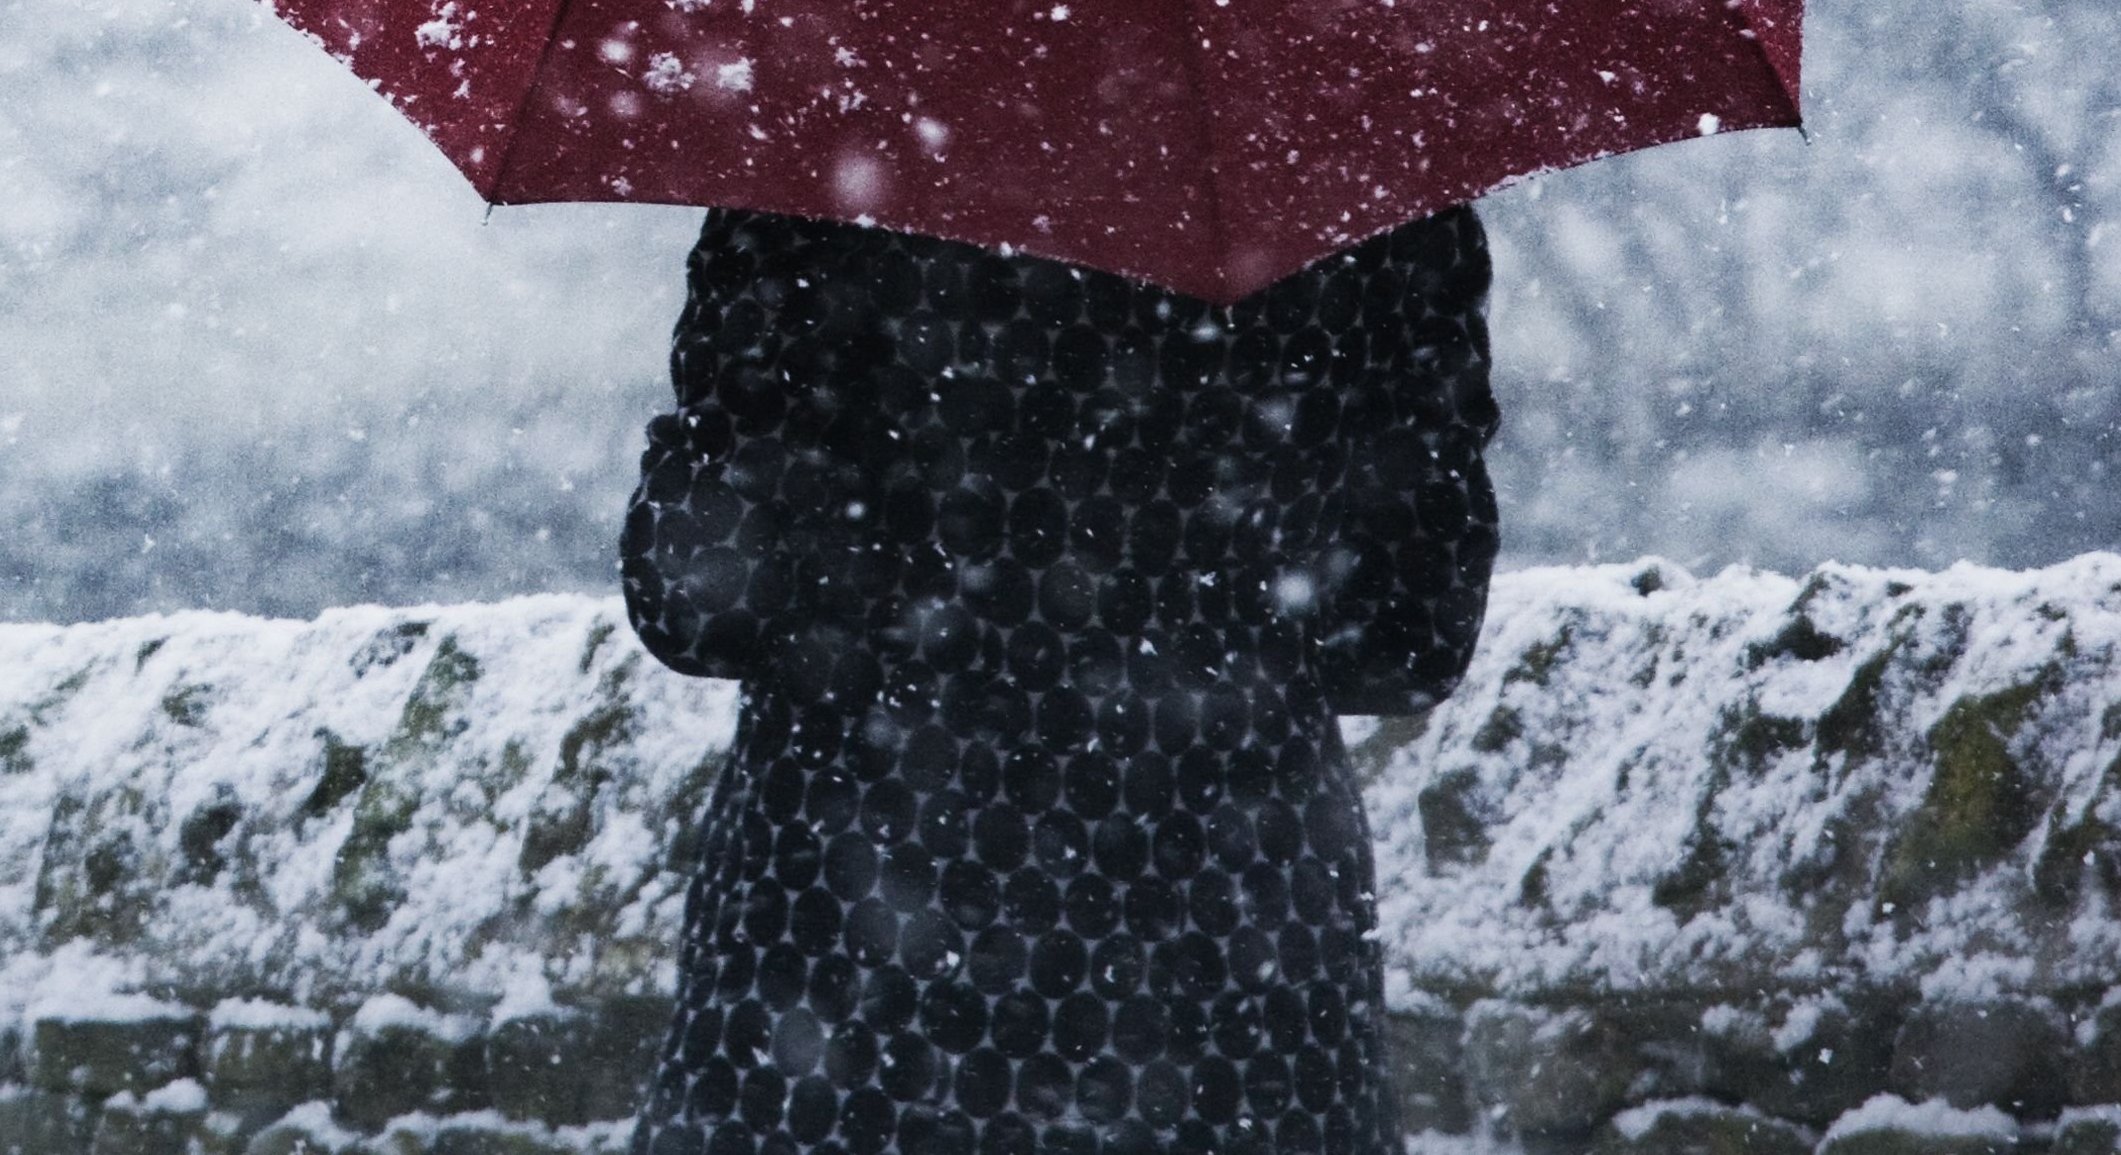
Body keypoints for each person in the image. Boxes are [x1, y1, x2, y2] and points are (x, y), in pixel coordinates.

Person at [617, 204, 1500, 1155]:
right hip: (1232, 958)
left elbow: (698, 606)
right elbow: (1410, 641)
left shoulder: (816, 161)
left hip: (849, 954)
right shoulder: (1350, 164)